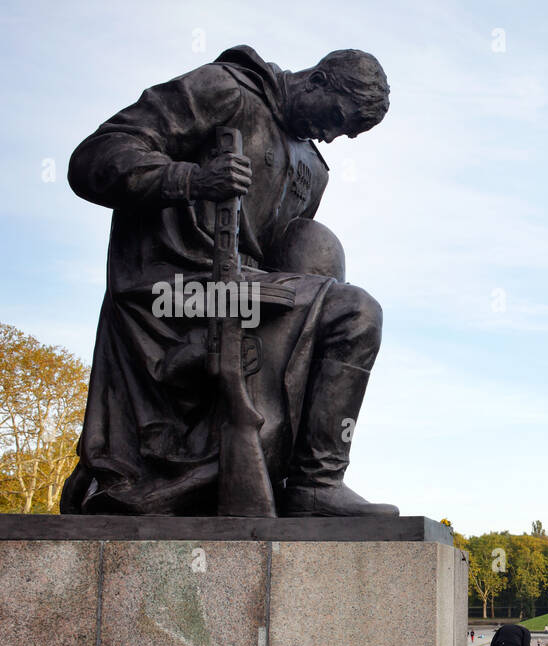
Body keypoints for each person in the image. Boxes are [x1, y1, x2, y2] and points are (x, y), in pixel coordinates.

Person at [60, 46, 398, 517]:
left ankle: (305, 481)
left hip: (243, 294)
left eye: (346, 134)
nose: (331, 135)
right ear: (317, 80)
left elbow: (286, 259)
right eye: (336, 118)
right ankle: (316, 482)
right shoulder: (226, 89)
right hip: (169, 292)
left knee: (340, 308)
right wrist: (191, 180)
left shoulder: (313, 169)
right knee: (356, 312)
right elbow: (93, 159)